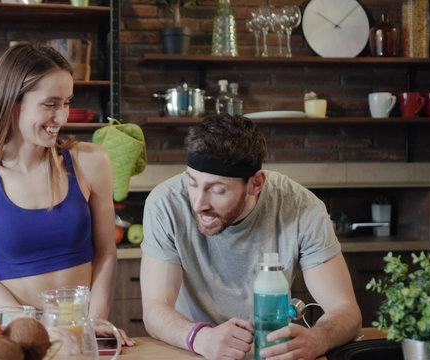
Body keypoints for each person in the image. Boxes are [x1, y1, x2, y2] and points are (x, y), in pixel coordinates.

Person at [0, 42, 133, 345]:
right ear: (12, 101)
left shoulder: (92, 161)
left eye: (67, 103)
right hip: (22, 338)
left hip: (82, 333)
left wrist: (94, 323)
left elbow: (105, 252)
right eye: (51, 104)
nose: (63, 117)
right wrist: (35, 329)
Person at [140, 114, 361, 359]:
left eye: (217, 190)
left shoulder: (301, 207)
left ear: (256, 184)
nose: (199, 204)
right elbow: (155, 310)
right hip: (195, 351)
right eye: (192, 183)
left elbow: (346, 311)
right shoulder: (165, 204)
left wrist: (319, 338)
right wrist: (203, 338)